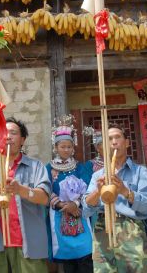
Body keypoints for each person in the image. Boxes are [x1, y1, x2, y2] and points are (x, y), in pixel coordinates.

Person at [0, 117, 51, 273]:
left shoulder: (36, 166)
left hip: (29, 244)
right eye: (3, 133)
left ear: (22, 139)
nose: (8, 137)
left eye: (13, 133)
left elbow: (44, 198)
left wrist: (20, 189)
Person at [83, 122, 147, 272]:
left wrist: (124, 190)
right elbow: (86, 209)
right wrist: (98, 191)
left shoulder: (140, 172)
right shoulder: (98, 175)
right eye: (109, 139)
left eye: (117, 137)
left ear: (127, 142)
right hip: (103, 228)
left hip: (131, 227)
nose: (114, 142)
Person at [46, 115, 93, 273]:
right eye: (62, 146)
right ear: (56, 147)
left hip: (80, 214)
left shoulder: (81, 168)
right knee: (68, 262)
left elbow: (88, 188)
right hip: (59, 214)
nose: (66, 150)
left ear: (73, 148)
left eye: (69, 147)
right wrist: (61, 204)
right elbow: (46, 189)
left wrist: (75, 203)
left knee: (86, 256)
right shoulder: (48, 168)